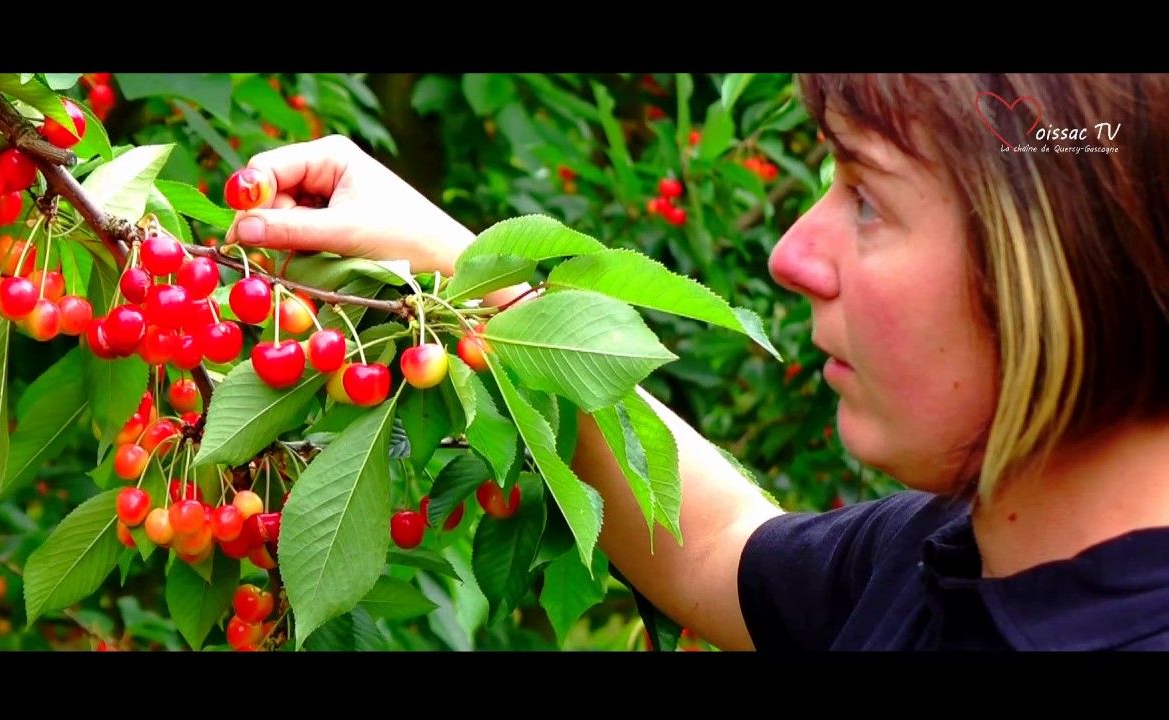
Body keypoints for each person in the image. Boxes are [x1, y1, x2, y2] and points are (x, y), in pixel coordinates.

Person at [225, 73, 1169, 651]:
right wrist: (454, 265)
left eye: (869, 199)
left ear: (1056, 260)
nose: (791, 255)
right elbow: (717, 547)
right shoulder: (943, 562)